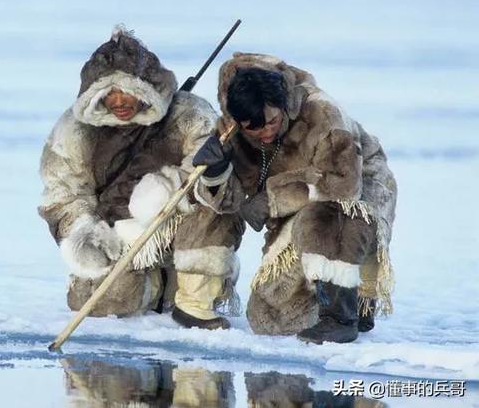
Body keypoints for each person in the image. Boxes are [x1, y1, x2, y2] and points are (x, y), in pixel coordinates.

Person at [38, 26, 244, 330]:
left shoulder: (189, 114)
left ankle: (195, 300)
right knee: (108, 303)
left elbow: (219, 188)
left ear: (145, 89)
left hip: (174, 223)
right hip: (115, 238)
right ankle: (156, 285)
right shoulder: (75, 129)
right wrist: (88, 236)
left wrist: (204, 176)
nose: (119, 101)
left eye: (127, 91)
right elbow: (62, 192)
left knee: (211, 212)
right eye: (109, 94)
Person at [193, 52, 397, 344]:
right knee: (270, 320)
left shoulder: (323, 114)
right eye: (255, 127)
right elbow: (231, 203)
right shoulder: (230, 132)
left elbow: (342, 185)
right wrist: (215, 172)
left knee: (330, 217)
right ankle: (322, 295)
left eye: (273, 121)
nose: (266, 132)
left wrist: (270, 199)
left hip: (358, 185)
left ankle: (345, 312)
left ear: (283, 106)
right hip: (297, 198)